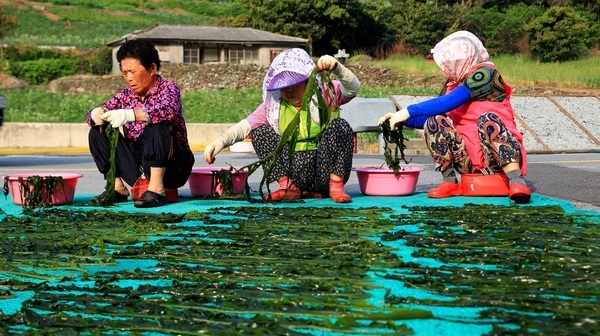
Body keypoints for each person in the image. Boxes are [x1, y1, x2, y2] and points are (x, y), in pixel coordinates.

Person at [378, 31, 531, 204]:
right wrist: (400, 119)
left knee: (488, 120)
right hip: (467, 158)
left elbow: (449, 102)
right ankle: (450, 181)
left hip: (497, 155)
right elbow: (437, 117)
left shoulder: (486, 75)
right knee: (434, 120)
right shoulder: (454, 83)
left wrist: (408, 110)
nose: (447, 69)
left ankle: (516, 180)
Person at [203, 48, 360, 203]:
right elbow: (244, 127)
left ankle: (336, 187)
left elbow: (352, 89)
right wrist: (219, 143)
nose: (289, 90)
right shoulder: (273, 106)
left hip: (325, 171)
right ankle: (288, 188)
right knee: (260, 133)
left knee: (340, 126)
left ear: (307, 80)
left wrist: (337, 69)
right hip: (295, 174)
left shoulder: (325, 93)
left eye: (294, 84)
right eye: (284, 86)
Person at [86, 38, 195, 208]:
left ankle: (157, 189)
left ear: (152, 68)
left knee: (157, 125)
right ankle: (116, 187)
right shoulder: (125, 95)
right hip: (139, 165)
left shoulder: (168, 89)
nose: (129, 78)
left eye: (133, 72)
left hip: (173, 165)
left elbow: (167, 111)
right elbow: (97, 113)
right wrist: (95, 115)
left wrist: (131, 114)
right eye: (124, 73)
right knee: (96, 132)